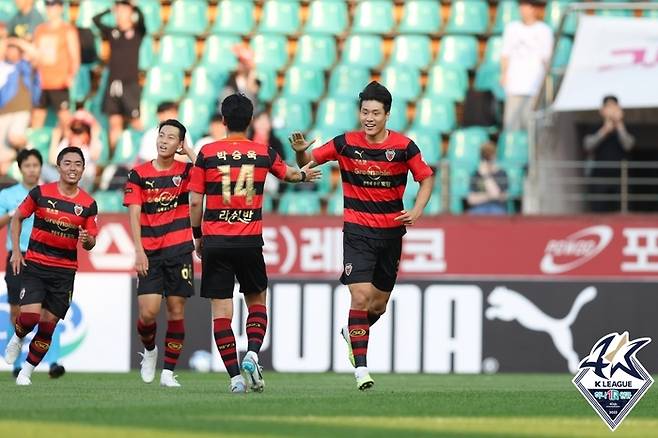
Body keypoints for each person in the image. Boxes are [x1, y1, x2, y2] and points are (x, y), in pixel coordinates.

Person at [290, 81, 434, 390]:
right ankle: (362, 370)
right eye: (364, 112)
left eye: (375, 113)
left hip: (391, 235)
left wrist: (418, 210)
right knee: (360, 296)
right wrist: (302, 154)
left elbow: (426, 178)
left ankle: (352, 333)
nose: (368, 118)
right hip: (356, 232)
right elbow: (306, 163)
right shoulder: (344, 143)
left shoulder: (404, 147)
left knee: (377, 306)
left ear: (387, 115)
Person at [188, 94, 319, 393]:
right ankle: (252, 353)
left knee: (222, 313)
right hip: (249, 241)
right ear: (249, 121)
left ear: (223, 120)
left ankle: (235, 379)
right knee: (257, 301)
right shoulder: (263, 152)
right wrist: (304, 172)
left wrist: (198, 236)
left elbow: (195, 201)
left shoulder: (206, 153)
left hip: (216, 242)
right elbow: (290, 175)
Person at [3, 146, 97, 386]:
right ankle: (17, 337)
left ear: (83, 169)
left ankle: (26, 372)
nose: (72, 168)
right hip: (35, 265)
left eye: (78, 164)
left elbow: (90, 241)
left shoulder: (88, 204)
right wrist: (15, 251)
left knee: (48, 326)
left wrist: (88, 241)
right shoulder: (40, 193)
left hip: (64, 272)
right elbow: (18, 218)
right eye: (67, 163)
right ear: (58, 167)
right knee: (30, 317)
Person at [123, 119, 196, 387]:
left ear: (179, 143)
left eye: (171, 137)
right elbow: (134, 212)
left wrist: (189, 151)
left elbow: (208, 177)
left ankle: (167, 372)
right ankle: (150, 350)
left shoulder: (187, 171)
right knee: (149, 313)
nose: (164, 140)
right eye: (161, 135)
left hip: (179, 250)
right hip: (150, 253)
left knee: (176, 310)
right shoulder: (138, 174)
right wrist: (138, 250)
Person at [0, 149, 65, 378]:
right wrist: (12, 214)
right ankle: (17, 363)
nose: (32, 169)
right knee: (18, 312)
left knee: (50, 311)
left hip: (46, 257)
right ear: (20, 168)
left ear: (40, 168)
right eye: (27, 165)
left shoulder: (50, 194)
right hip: (19, 256)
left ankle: (54, 362)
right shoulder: (8, 195)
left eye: (36, 165)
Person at [93, 0, 145, 152]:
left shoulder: (137, 32)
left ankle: (142, 155)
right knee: (114, 123)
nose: (120, 14)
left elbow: (142, 20)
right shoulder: (112, 32)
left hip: (130, 85)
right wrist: (110, 9)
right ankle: (114, 157)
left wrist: (134, 6)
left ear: (130, 12)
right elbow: (95, 20)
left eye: (124, 10)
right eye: (118, 11)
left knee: (135, 121)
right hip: (112, 84)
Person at [500, 0, 553, 131]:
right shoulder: (511, 28)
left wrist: (544, 85)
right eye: (521, 5)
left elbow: (546, 60)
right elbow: (505, 54)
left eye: (526, 5)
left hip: (534, 87)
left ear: (534, 8)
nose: (522, 9)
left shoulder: (544, 31)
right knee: (511, 127)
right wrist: (504, 74)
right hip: (514, 86)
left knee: (533, 129)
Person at [31, 0, 80, 132]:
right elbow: (35, 55)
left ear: (61, 8)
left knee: (65, 121)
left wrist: (71, 76)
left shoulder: (67, 30)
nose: (50, 8)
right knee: (36, 118)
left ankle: (70, 149)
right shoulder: (40, 30)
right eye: (48, 5)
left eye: (53, 5)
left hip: (59, 83)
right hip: (41, 83)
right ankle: (35, 150)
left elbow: (75, 57)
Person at [583, 95, 635, 212]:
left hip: (621, 175)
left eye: (614, 107)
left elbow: (629, 145)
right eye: (608, 107)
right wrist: (605, 130)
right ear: (602, 110)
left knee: (622, 207)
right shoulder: (595, 127)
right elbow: (587, 145)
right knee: (598, 207)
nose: (611, 110)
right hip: (600, 175)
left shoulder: (625, 127)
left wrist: (619, 125)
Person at [0, 31, 40, 175]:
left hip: (21, 110)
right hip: (3, 112)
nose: (10, 51)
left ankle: (30, 149)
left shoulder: (25, 67)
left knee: (14, 136)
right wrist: (6, 42)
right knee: (3, 158)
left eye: (14, 49)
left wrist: (14, 40)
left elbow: (35, 54)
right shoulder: (3, 66)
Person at [466, 142, 509, 215]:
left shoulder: (501, 173)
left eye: (490, 158)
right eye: (485, 158)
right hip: (479, 208)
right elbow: (471, 200)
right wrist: (490, 196)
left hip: (497, 207)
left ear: (494, 156)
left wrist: (486, 176)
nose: (488, 161)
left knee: (497, 212)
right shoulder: (476, 174)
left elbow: (501, 196)